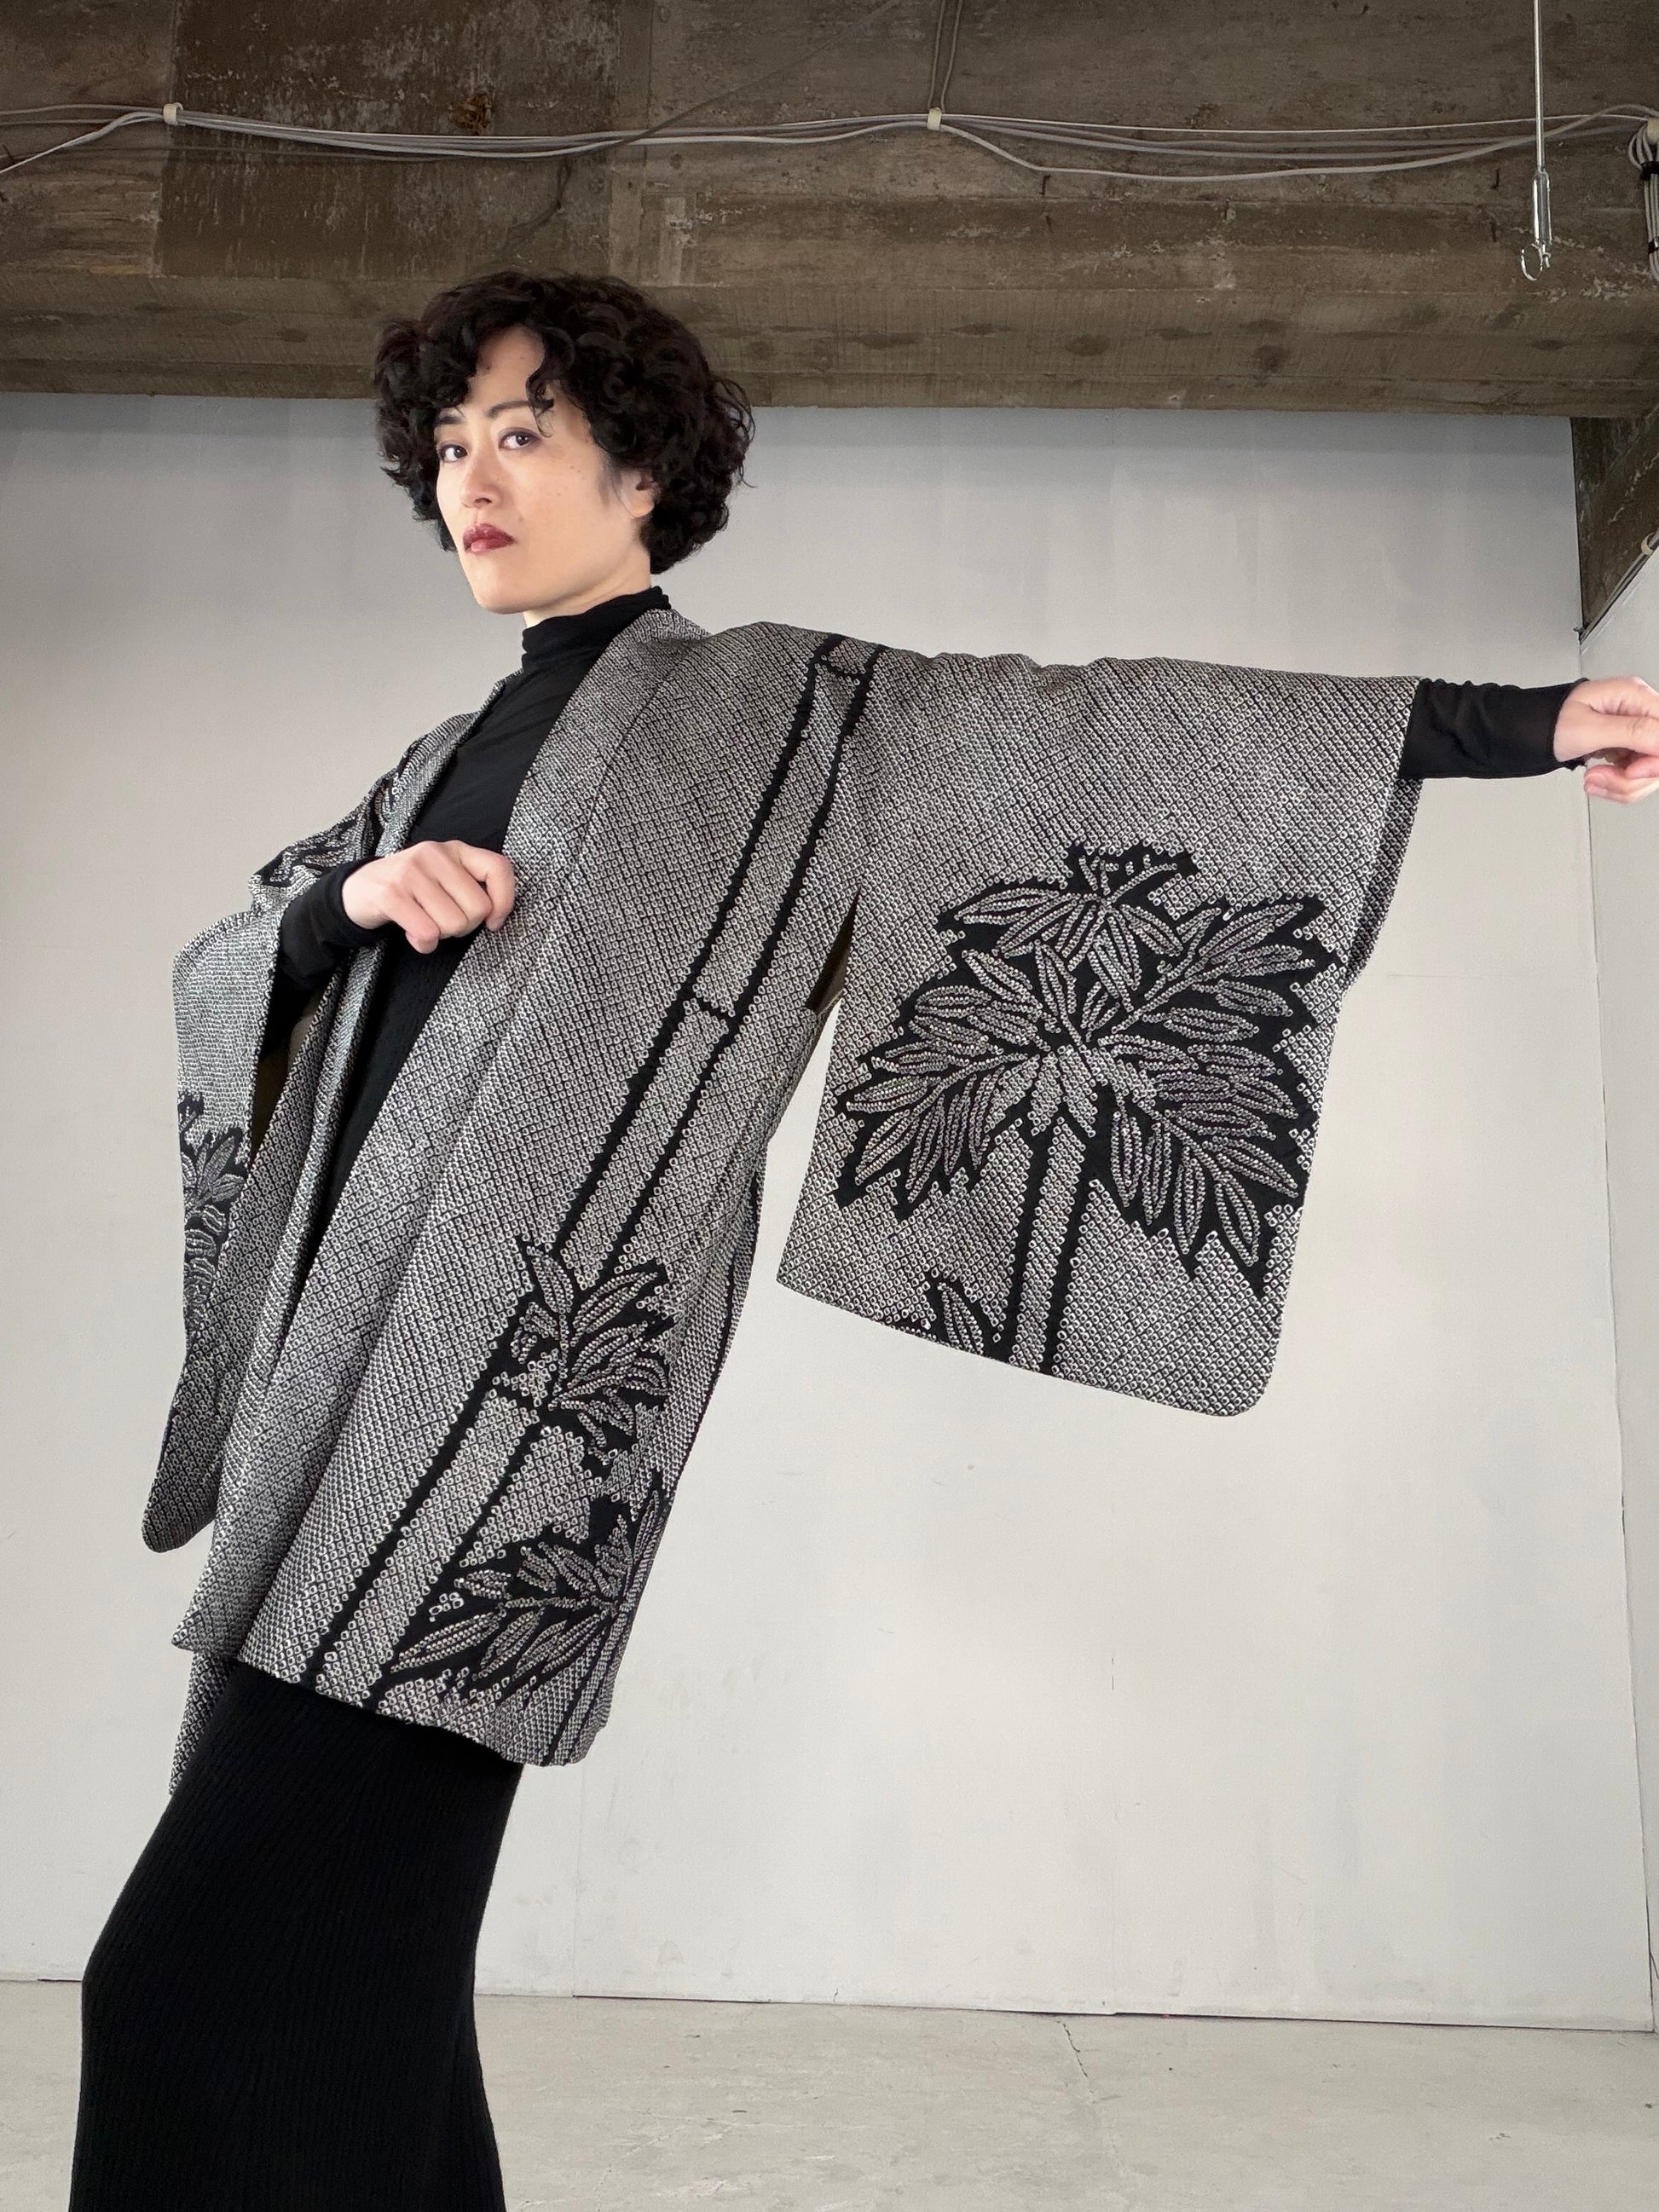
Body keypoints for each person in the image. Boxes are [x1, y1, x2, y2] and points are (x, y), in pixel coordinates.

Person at [67, 269, 1659, 2211]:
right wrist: (349, 901)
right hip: (330, 1385)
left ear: (642, 469)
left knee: (192, 1979)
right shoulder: (428, 761)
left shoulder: (788, 707)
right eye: (451, 444)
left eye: (525, 434)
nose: (472, 477)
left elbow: (1096, 733)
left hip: (526, 1404)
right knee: (365, 1980)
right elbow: (236, 960)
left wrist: (1514, 720)